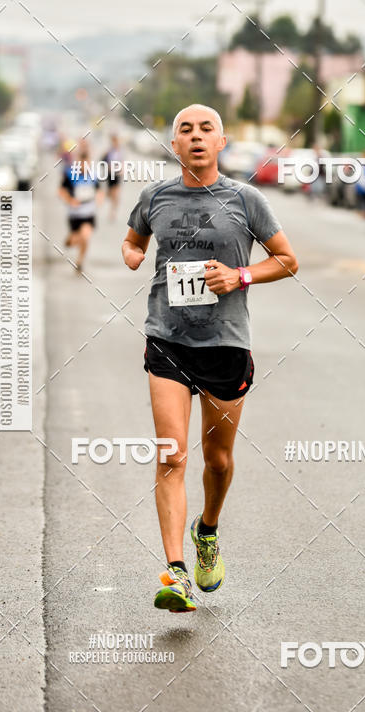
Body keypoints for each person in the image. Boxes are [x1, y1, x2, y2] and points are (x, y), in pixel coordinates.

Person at [122, 104, 298, 613]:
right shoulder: (154, 197)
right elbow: (132, 240)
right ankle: (176, 573)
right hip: (167, 340)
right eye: (186, 129)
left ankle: (208, 530)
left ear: (221, 142)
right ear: (174, 144)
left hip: (225, 344)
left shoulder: (246, 200)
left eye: (206, 129)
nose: (196, 136)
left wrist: (240, 276)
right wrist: (133, 254)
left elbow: (288, 260)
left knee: (217, 461)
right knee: (172, 456)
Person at [59, 139, 103, 271]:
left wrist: (99, 199)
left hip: (88, 214)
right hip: (74, 214)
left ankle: (80, 261)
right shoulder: (70, 175)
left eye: (87, 163)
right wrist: (70, 200)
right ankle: (72, 239)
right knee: (74, 241)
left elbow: (99, 190)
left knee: (86, 236)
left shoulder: (93, 176)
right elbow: (61, 190)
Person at [102, 133, 123, 221]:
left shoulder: (120, 151)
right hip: (110, 174)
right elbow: (103, 161)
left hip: (117, 174)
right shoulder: (109, 151)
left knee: (116, 193)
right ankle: (108, 196)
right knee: (110, 193)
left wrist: (121, 171)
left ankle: (113, 212)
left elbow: (122, 162)